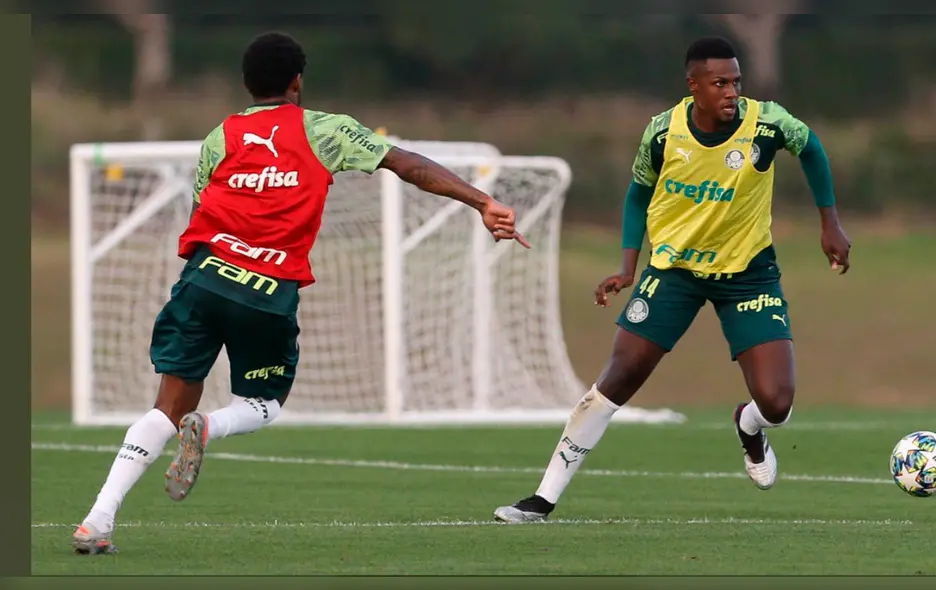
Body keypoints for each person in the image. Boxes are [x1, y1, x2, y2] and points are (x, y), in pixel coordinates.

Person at [73, 31, 529, 555]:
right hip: (266, 292)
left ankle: (97, 520)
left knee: (164, 408)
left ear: (247, 84)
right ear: (297, 82)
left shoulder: (220, 136)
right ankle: (211, 426)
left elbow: (202, 206)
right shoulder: (325, 130)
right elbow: (410, 166)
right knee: (263, 405)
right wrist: (480, 201)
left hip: (202, 280)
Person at [493, 36, 851, 523]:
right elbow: (638, 195)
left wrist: (829, 221)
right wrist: (627, 265)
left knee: (777, 402)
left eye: (737, 82)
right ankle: (541, 499)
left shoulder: (767, 123)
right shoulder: (663, 133)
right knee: (617, 378)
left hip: (748, 273)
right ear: (694, 86)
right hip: (674, 272)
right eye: (720, 83)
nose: (732, 93)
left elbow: (811, 148)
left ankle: (748, 426)